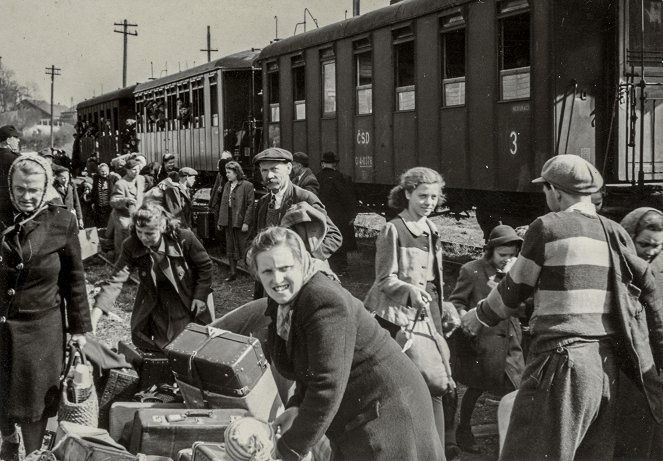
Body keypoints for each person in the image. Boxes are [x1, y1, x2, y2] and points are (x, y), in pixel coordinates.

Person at [461, 154, 663, 460]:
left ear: (555, 190)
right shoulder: (614, 231)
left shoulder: (547, 227)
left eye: (545, 190)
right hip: (605, 368)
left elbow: (510, 294)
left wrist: (477, 317)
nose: (546, 196)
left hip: (561, 362)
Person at [247, 226, 444, 461]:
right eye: (267, 271)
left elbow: (326, 384)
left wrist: (287, 449)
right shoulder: (285, 303)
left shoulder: (323, 300)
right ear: (258, 274)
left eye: (284, 268)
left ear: (301, 263)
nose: (277, 279)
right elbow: (312, 366)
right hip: (360, 410)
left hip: (388, 412)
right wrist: (296, 407)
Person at [364, 166, 459, 458]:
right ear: (407, 194)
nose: (429, 202)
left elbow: (434, 279)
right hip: (398, 315)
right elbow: (384, 280)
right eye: (422, 196)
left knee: (439, 381)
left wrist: (444, 306)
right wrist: (410, 292)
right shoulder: (394, 229)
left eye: (434, 197)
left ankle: (440, 445)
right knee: (422, 381)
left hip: (426, 312)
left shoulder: (431, 229)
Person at [0, 154, 91, 458]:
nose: (27, 196)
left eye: (33, 190)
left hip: (41, 327)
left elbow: (74, 280)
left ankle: (33, 454)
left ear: (46, 189)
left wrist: (79, 329)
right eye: (20, 189)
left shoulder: (62, 220)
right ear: (10, 187)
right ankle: (9, 440)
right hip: (2, 323)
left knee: (35, 401)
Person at [92, 203, 214, 352]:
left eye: (149, 233)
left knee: (189, 344)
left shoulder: (184, 238)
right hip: (156, 302)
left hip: (187, 298)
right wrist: (94, 317)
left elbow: (205, 266)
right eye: (139, 232)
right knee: (160, 346)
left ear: (162, 227)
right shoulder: (131, 245)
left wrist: (200, 296)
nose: (143, 238)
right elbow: (115, 282)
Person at [448, 224, 525, 453]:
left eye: (512, 255)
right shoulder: (472, 270)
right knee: (476, 387)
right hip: (484, 344)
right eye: (503, 255)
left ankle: (513, 439)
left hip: (510, 341)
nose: (507, 259)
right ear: (490, 251)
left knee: (518, 387)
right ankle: (464, 430)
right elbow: (457, 301)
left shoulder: (516, 273)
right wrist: (463, 319)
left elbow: (523, 304)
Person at [252, 147, 342, 297]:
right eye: (264, 170)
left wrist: (305, 259)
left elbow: (334, 236)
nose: (269, 175)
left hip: (301, 284)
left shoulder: (305, 198)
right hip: (271, 285)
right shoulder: (263, 203)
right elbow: (254, 238)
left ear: (288, 168)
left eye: (274, 169)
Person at [615, 207, 663, 460]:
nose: (651, 251)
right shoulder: (617, 268)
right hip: (623, 358)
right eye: (644, 244)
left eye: (657, 246)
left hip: (651, 358)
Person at [317, 151, 358, 273]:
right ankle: (342, 268)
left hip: (323, 216)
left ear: (323, 164)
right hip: (340, 217)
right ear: (335, 164)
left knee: (324, 240)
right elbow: (350, 199)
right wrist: (351, 215)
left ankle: (326, 268)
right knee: (341, 241)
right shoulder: (343, 178)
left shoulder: (316, 178)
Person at [217, 161, 254, 282]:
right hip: (228, 219)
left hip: (240, 220)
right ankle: (233, 273)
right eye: (226, 172)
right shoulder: (227, 185)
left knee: (244, 246)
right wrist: (221, 221)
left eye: (229, 172)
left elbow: (250, 205)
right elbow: (223, 203)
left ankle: (253, 273)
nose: (227, 175)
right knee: (230, 246)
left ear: (236, 173)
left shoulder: (247, 185)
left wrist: (246, 222)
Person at [109, 158, 145, 255]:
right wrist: (125, 200)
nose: (136, 171)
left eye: (138, 169)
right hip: (123, 217)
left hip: (136, 214)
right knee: (124, 240)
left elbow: (143, 194)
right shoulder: (120, 184)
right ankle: (120, 261)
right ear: (127, 170)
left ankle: (135, 260)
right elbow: (113, 201)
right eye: (133, 169)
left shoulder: (141, 179)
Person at [0, 125, 21, 228]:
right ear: (8, 140)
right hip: (11, 209)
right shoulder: (17, 160)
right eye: (16, 138)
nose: (18, 141)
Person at [52, 164, 85, 229]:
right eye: (63, 178)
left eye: (67, 177)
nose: (66, 179)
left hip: (72, 214)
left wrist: (80, 218)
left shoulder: (72, 186)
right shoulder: (54, 188)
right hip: (60, 216)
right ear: (57, 178)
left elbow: (77, 203)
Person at [90, 163, 115, 230]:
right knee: (99, 223)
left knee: (108, 222)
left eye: (106, 171)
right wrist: (93, 202)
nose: (104, 173)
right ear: (99, 171)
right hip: (99, 205)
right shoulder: (96, 178)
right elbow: (94, 191)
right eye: (102, 171)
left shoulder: (112, 178)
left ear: (108, 171)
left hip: (109, 206)